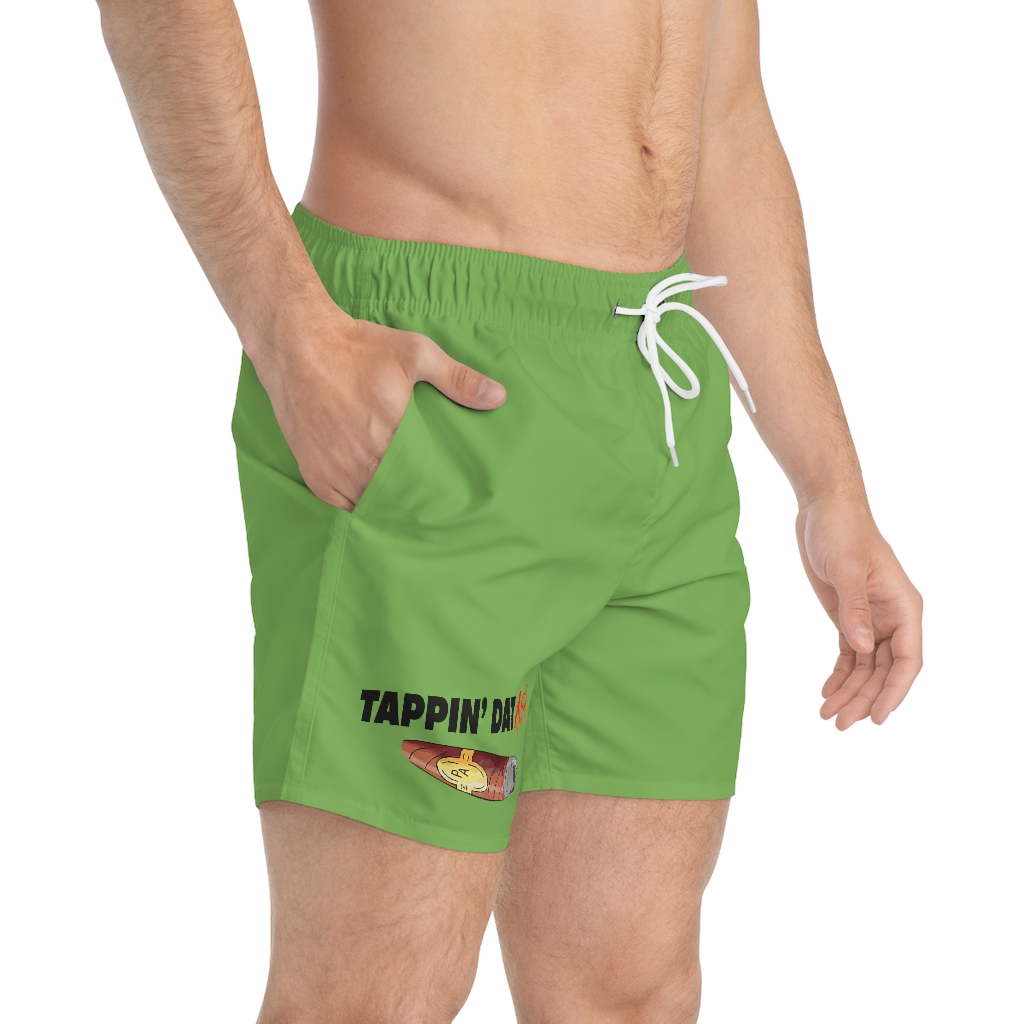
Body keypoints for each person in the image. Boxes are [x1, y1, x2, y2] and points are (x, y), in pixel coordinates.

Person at [97, 1, 923, 1021]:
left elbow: (722, 117)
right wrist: (284, 323)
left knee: (630, 992)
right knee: (374, 996)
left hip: (657, 398)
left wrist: (830, 484)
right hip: (433, 375)